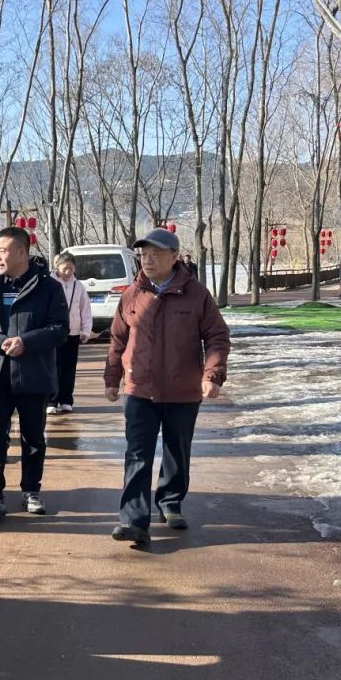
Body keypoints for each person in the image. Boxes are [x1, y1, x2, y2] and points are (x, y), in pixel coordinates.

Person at [104, 228, 230, 546]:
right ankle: (133, 520)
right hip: (139, 389)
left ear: (174, 257)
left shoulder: (196, 294)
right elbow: (117, 340)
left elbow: (217, 336)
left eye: (155, 254)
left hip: (182, 390)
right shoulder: (131, 295)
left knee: (177, 450)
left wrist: (212, 375)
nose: (147, 260)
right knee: (137, 454)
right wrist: (112, 379)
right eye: (143, 254)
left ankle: (170, 502)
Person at [0, 226, 68, 524]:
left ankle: (31, 491)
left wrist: (27, 342)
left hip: (33, 374)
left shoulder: (49, 287)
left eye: (3, 250)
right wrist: (0, 342)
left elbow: (60, 329)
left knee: (33, 437)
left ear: (22, 253)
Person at [48, 252, 95, 415]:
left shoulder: (79, 286)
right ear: (57, 267)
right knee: (54, 366)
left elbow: (85, 309)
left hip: (73, 332)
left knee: (69, 367)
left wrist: (85, 330)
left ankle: (66, 400)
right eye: (65, 269)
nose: (68, 272)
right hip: (53, 332)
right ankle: (52, 400)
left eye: (71, 269)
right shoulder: (50, 283)